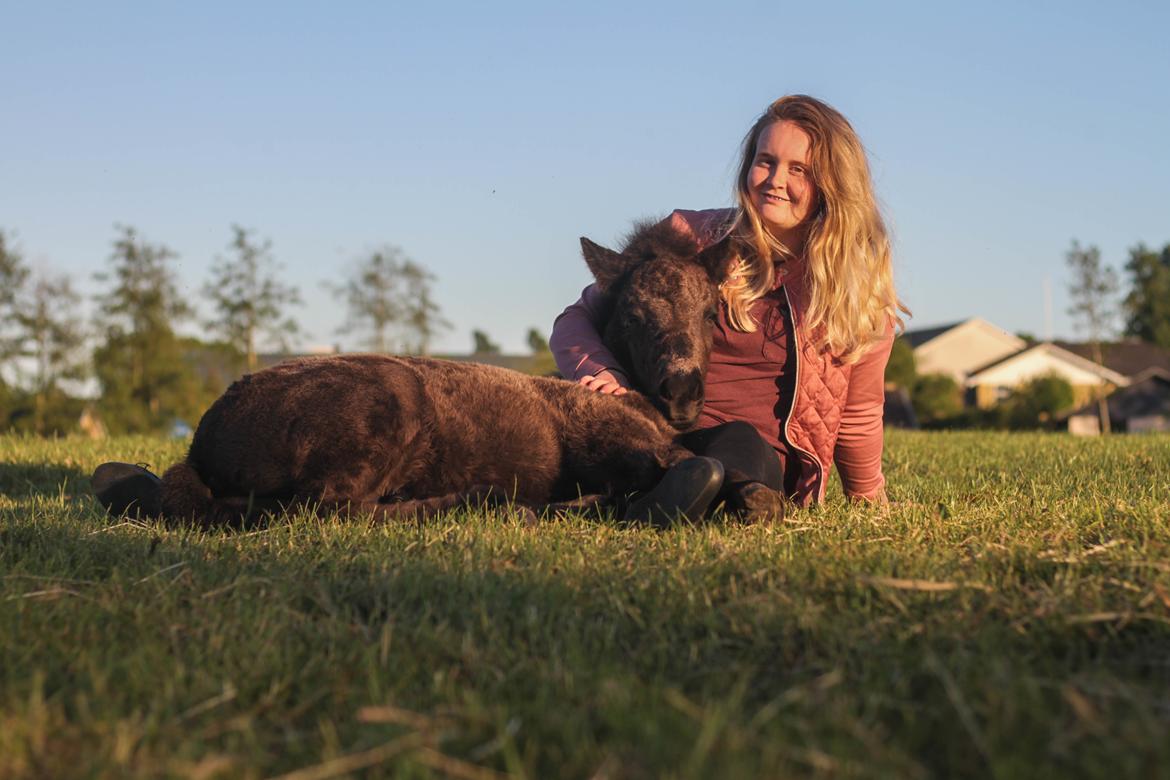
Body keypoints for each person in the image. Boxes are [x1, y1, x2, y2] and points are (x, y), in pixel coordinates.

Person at [550, 94, 907, 511]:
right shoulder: (690, 238)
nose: (774, 179)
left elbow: (859, 413)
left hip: (757, 463)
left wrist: (869, 497)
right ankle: (657, 495)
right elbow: (577, 319)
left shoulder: (853, 291)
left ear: (832, 184)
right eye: (765, 160)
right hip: (655, 430)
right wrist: (603, 372)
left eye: (799, 170)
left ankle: (679, 494)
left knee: (738, 445)